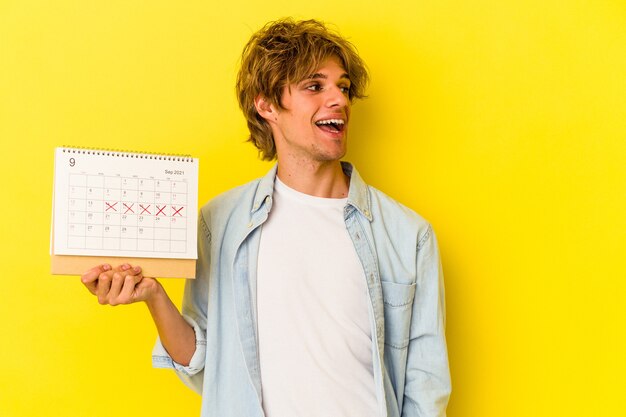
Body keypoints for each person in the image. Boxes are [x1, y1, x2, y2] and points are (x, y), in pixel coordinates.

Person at [81, 18, 451, 417]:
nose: (339, 100)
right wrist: (153, 295)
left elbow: (426, 388)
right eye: (315, 86)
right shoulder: (221, 223)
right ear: (267, 105)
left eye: (342, 87)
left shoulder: (408, 236)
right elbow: (201, 363)